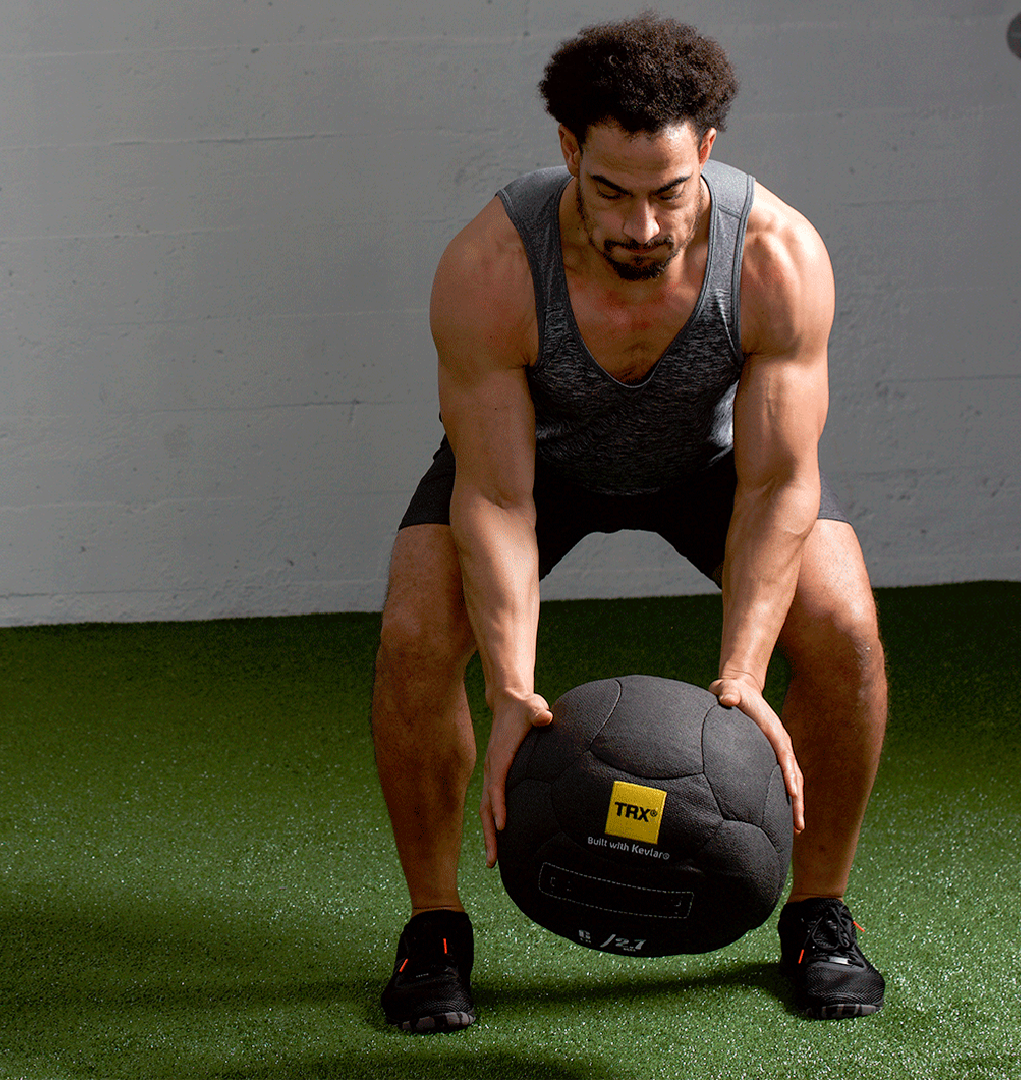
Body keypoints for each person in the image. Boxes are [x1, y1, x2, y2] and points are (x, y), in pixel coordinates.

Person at [372, 13, 888, 1030]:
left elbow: (778, 485)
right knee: (417, 636)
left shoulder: (776, 256)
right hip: (540, 465)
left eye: (669, 193)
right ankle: (434, 926)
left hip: (712, 465)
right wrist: (512, 686)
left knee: (847, 633)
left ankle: (818, 913)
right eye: (611, 193)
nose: (642, 228)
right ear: (570, 150)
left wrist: (743, 670)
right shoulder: (492, 265)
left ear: (707, 151)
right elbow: (497, 496)